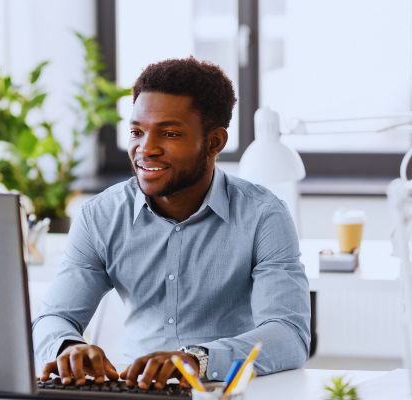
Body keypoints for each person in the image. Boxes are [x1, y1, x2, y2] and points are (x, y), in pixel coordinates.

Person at [32, 57, 310, 390]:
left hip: (225, 390)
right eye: (137, 132)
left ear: (214, 142)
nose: (146, 149)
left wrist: (196, 360)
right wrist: (67, 347)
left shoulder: (263, 216)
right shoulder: (100, 215)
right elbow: (54, 317)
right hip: (132, 391)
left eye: (169, 133)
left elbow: (289, 335)